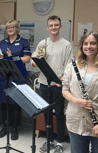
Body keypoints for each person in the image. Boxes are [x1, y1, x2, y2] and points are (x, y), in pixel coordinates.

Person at [62, 31, 98, 153]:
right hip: (76, 122)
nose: (88, 47)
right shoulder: (72, 66)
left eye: (93, 43)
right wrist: (76, 100)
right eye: (85, 43)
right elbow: (65, 89)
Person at [31, 15, 73, 153]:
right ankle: (49, 140)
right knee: (46, 114)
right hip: (43, 84)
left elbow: (69, 67)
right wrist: (35, 61)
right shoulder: (43, 43)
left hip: (58, 85)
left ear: (60, 26)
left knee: (60, 114)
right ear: (47, 27)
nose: (54, 27)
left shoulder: (66, 45)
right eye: (51, 25)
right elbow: (34, 62)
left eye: (56, 25)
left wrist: (61, 81)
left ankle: (60, 142)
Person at [0, 20, 31, 140]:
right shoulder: (2, 42)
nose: (10, 29)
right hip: (3, 76)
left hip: (17, 76)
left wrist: (13, 57)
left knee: (15, 103)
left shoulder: (23, 42)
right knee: (4, 103)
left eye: (12, 27)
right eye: (8, 27)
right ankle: (5, 127)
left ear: (17, 28)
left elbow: (27, 58)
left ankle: (15, 128)